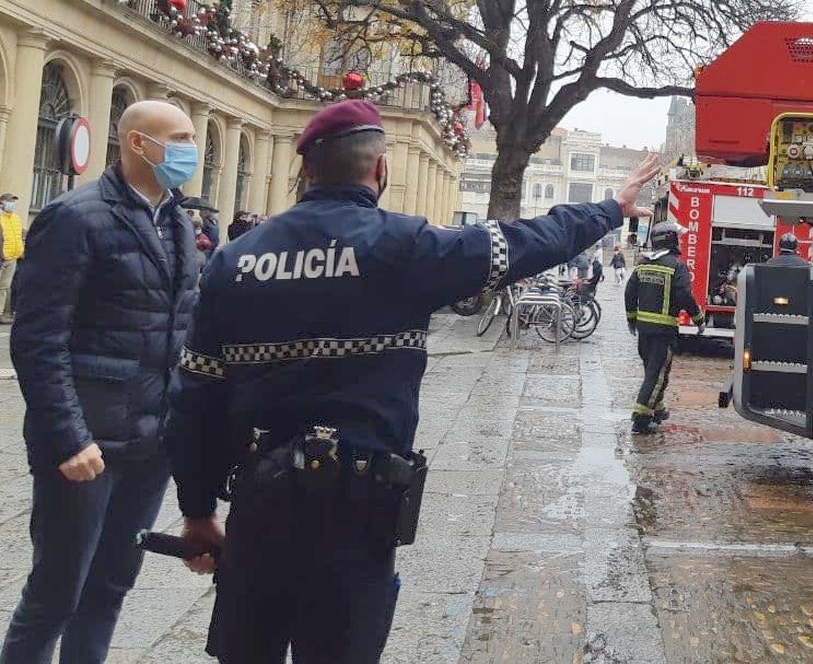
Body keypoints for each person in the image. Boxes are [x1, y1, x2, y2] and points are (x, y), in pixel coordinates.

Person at [165, 100, 658, 663]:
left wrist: (198, 510)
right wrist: (609, 209)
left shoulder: (235, 261)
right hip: (361, 506)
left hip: (262, 502)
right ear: (379, 171)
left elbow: (195, 398)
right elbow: (521, 243)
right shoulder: (406, 246)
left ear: (306, 172)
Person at [3, 101, 200, 663]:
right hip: (87, 445)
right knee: (55, 593)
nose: (191, 150)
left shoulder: (178, 219)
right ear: (138, 144)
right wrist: (68, 436)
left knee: (110, 587)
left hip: (149, 441)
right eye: (181, 138)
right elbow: (40, 340)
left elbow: (177, 331)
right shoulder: (75, 216)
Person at [624, 220, 700, 435]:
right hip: (664, 331)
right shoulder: (676, 265)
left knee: (653, 371)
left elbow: (629, 294)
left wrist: (632, 319)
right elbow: (684, 295)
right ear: (671, 240)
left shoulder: (643, 263)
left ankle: (657, 408)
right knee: (656, 375)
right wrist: (698, 317)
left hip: (644, 330)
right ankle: (641, 416)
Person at [0, 190, 24, 323]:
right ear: (2, 203)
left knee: (4, 287)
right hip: (2, 256)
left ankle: (0, 312)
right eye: (10, 201)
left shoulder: (16, 218)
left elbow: (19, 236)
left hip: (13, 257)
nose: (12, 204)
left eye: (13, 202)